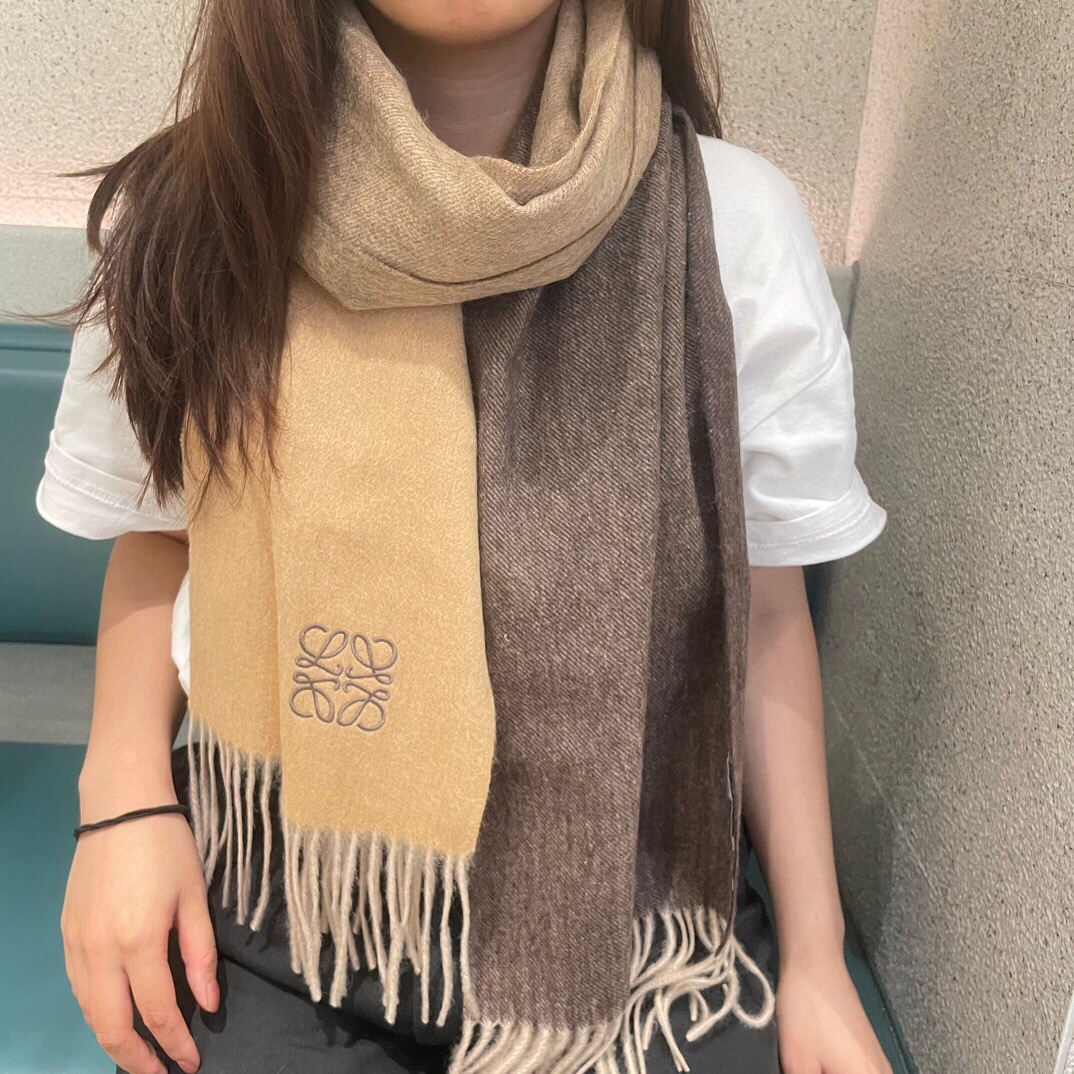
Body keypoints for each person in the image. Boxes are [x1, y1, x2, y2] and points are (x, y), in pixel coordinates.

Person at [37, 1, 893, 1072]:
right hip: (283, 888)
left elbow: (762, 612)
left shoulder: (732, 222)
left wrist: (815, 957)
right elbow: (160, 536)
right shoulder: (197, 207)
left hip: (634, 913)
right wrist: (119, 809)